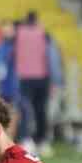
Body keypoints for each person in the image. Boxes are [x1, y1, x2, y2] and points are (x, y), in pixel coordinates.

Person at [12, 12, 52, 150]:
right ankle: (42, 140)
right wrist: (55, 78)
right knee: (40, 110)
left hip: (24, 77)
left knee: (24, 109)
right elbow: (50, 57)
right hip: (41, 77)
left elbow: (13, 54)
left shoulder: (18, 34)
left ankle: (26, 139)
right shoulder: (43, 34)